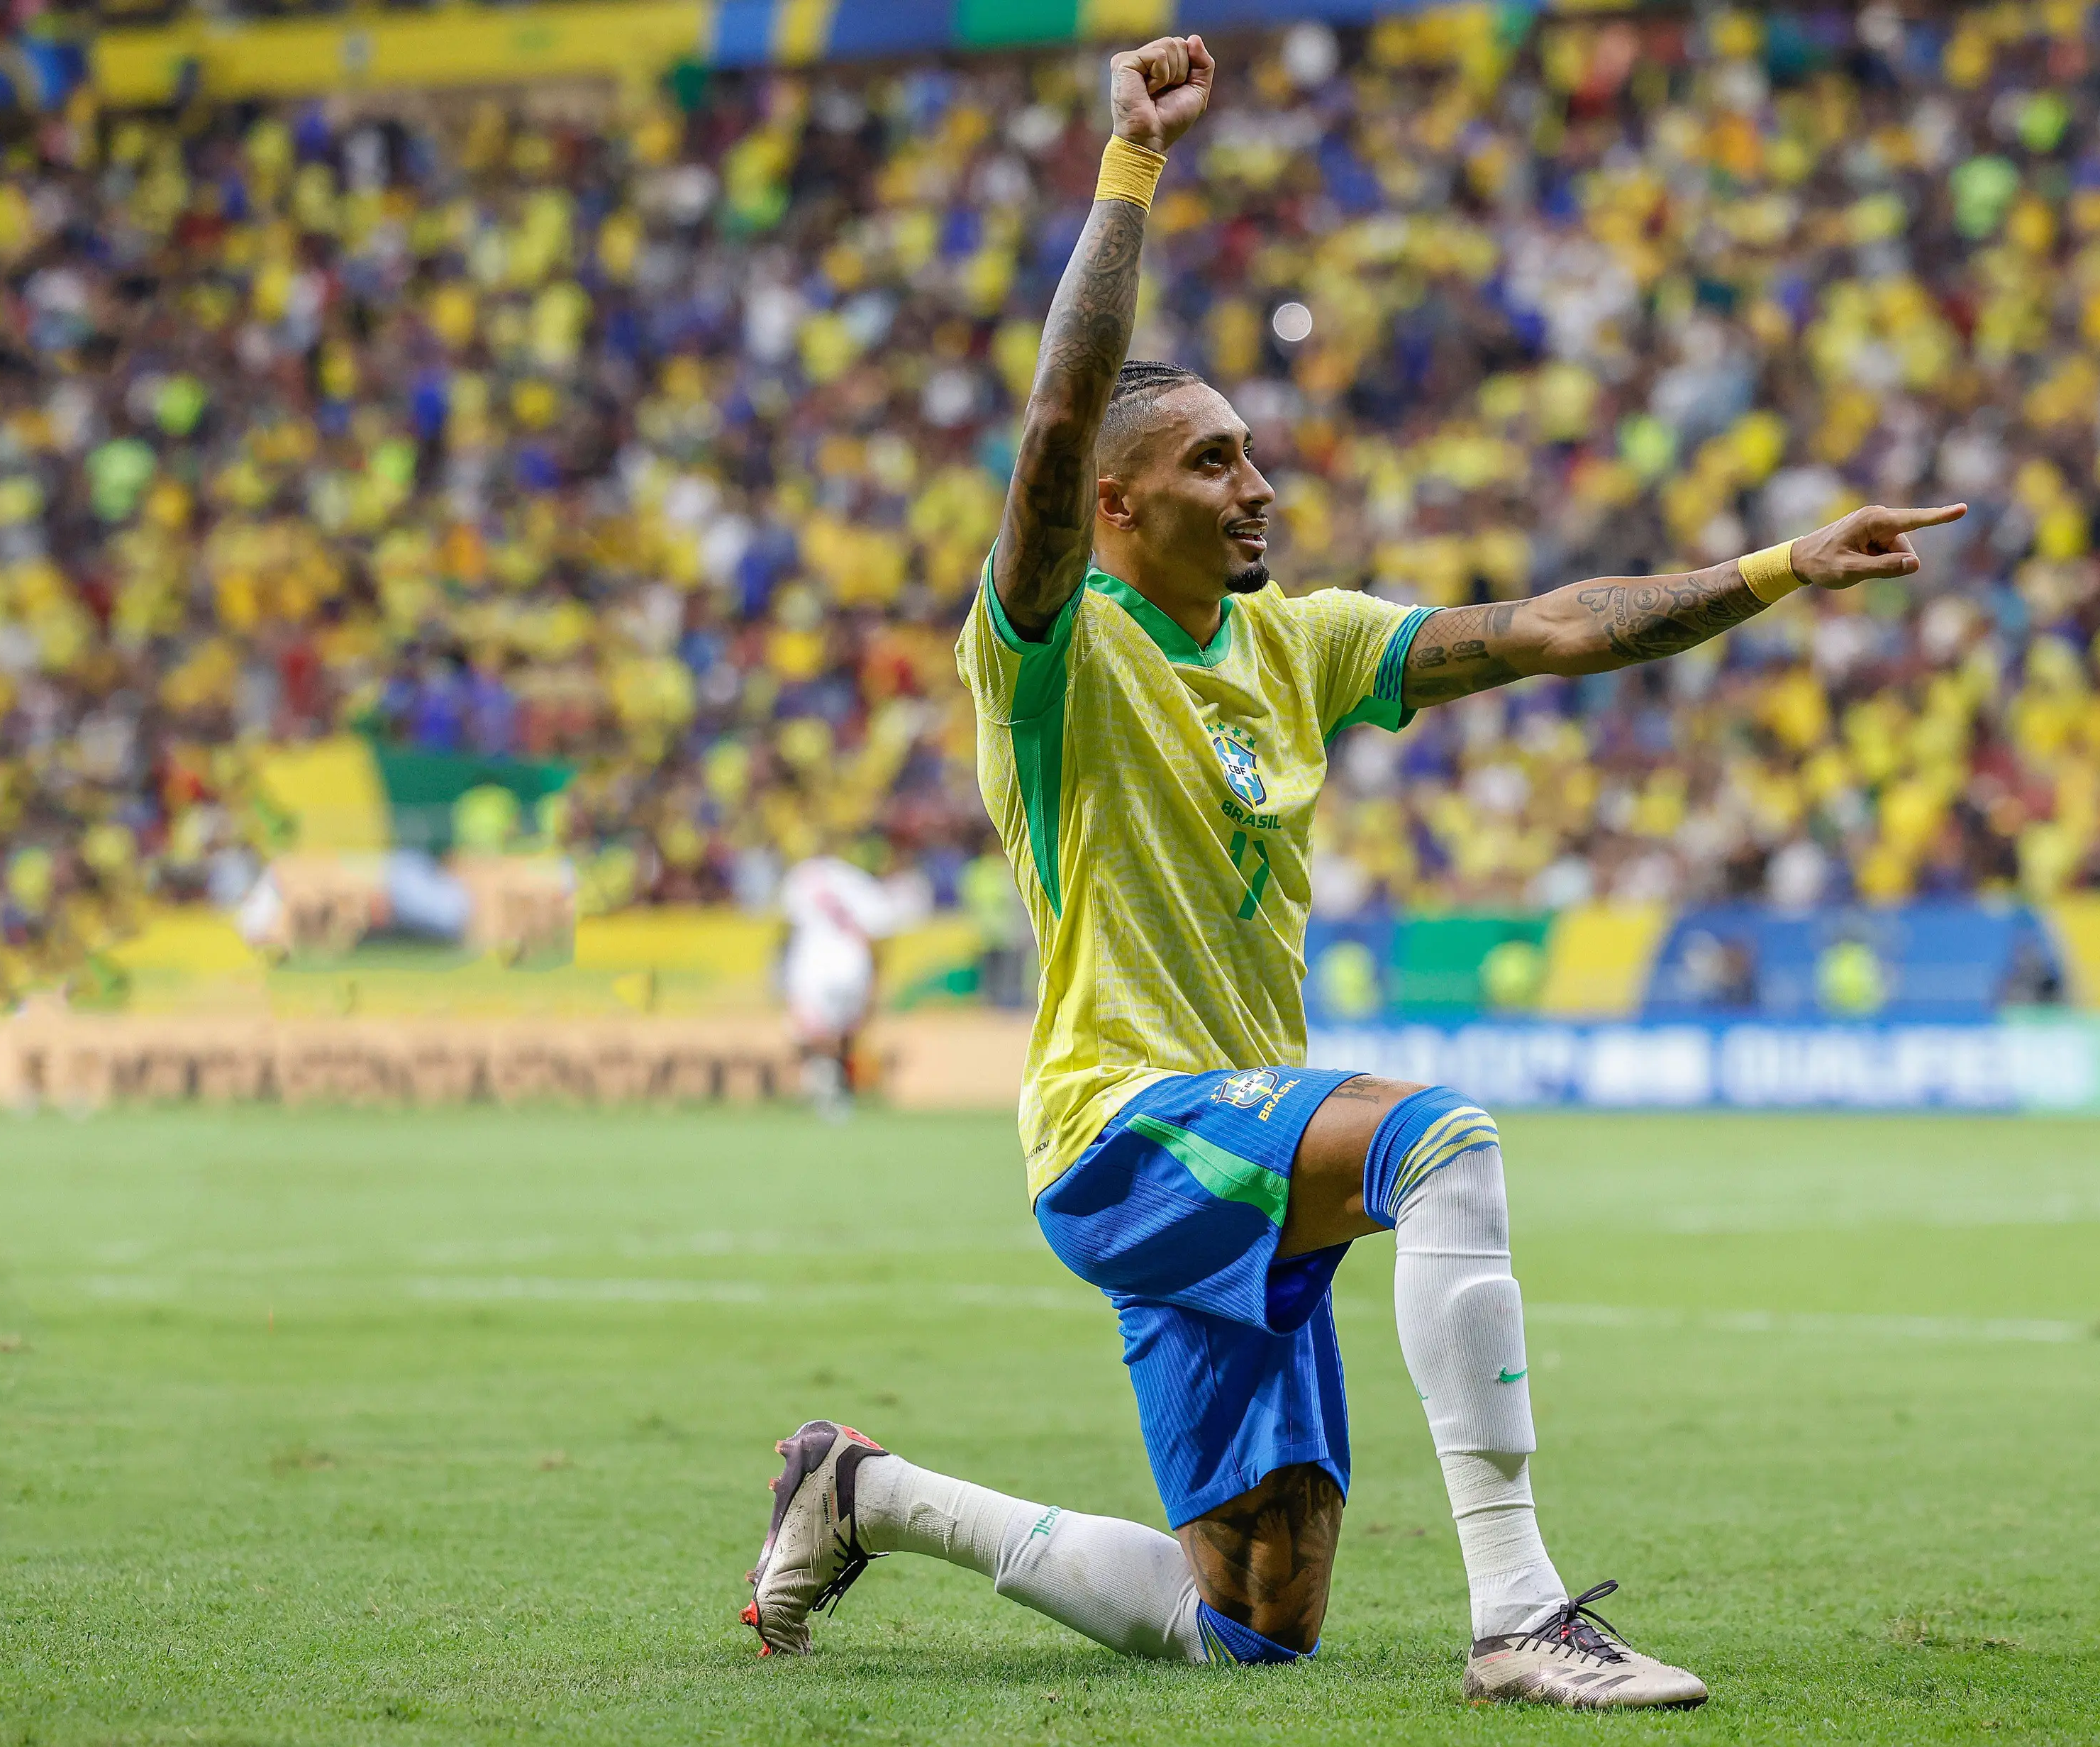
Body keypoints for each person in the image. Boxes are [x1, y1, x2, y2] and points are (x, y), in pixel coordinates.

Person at [743, 35, 1964, 1707]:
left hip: (1227, 1128)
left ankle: (860, 1488)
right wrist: (1130, 166)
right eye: (1212, 462)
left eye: (1251, 452)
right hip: (1122, 1118)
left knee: (1250, 1614)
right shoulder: (1051, 655)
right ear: (1112, 506)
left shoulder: (1299, 641)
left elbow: (1541, 627)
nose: (1258, 483)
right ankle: (1520, 1610)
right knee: (1441, 1138)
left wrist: (1772, 568)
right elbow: (1045, 422)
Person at [777, 851, 933, 1119]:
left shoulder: (801, 876)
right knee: (844, 1034)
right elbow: (880, 930)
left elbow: (787, 927)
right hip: (853, 965)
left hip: (813, 965)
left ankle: (828, 1091)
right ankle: (838, 1090)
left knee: (812, 1035)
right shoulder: (860, 881)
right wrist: (876, 978)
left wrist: (782, 969)